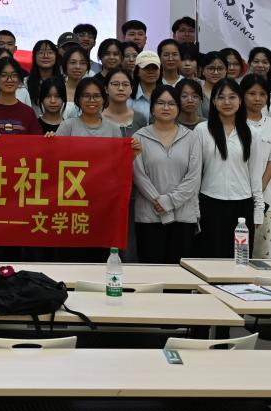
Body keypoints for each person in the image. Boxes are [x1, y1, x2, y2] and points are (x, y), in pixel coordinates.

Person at [132, 85, 201, 264]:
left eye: (171, 103)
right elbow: (139, 176)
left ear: (178, 107)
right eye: (160, 103)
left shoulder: (191, 137)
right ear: (152, 108)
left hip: (183, 215)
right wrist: (159, 201)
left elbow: (193, 177)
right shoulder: (139, 137)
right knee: (152, 270)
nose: (166, 107)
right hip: (149, 216)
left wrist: (169, 202)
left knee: (180, 271)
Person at [194, 79, 262, 258]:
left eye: (232, 97)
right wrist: (195, 209)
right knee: (211, 257)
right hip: (210, 203)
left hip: (243, 205)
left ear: (240, 100)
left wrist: (258, 211)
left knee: (240, 258)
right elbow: (195, 173)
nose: (227, 102)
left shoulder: (252, 133)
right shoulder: (202, 130)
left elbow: (255, 175)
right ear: (213, 101)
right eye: (221, 97)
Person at [241, 74, 271, 260]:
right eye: (252, 93)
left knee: (261, 252)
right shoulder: (235, 122)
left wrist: (258, 188)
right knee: (239, 250)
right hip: (237, 193)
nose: (257, 98)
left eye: (262, 94)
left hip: (265, 195)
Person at [0, 57, 40, 135]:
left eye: (14, 75)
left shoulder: (28, 112)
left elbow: (37, 140)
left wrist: (50, 137)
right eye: (3, 75)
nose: (9, 80)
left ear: (20, 79)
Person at [56, 77, 123, 139]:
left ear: (103, 99)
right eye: (86, 96)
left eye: (97, 96)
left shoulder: (113, 129)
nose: (92, 100)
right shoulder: (67, 126)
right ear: (78, 99)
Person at [101, 67, 148, 137]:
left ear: (131, 89)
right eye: (115, 84)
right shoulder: (98, 118)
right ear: (106, 89)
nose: (121, 88)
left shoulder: (140, 118)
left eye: (125, 84)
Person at [26, 39, 59, 109]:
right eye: (41, 52)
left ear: (56, 56)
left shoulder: (64, 81)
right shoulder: (25, 82)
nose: (45, 56)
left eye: (50, 52)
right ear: (34, 56)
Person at [59, 44, 93, 109]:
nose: (78, 67)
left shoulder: (93, 91)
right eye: (73, 62)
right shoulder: (57, 90)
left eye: (82, 63)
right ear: (65, 65)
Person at [132, 50, 161, 121]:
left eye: (155, 68)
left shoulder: (168, 94)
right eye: (146, 68)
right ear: (137, 71)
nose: (151, 71)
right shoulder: (127, 96)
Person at [197, 51, 228, 117]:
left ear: (226, 70)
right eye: (211, 68)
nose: (216, 72)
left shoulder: (233, 90)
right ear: (202, 70)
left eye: (220, 69)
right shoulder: (196, 90)